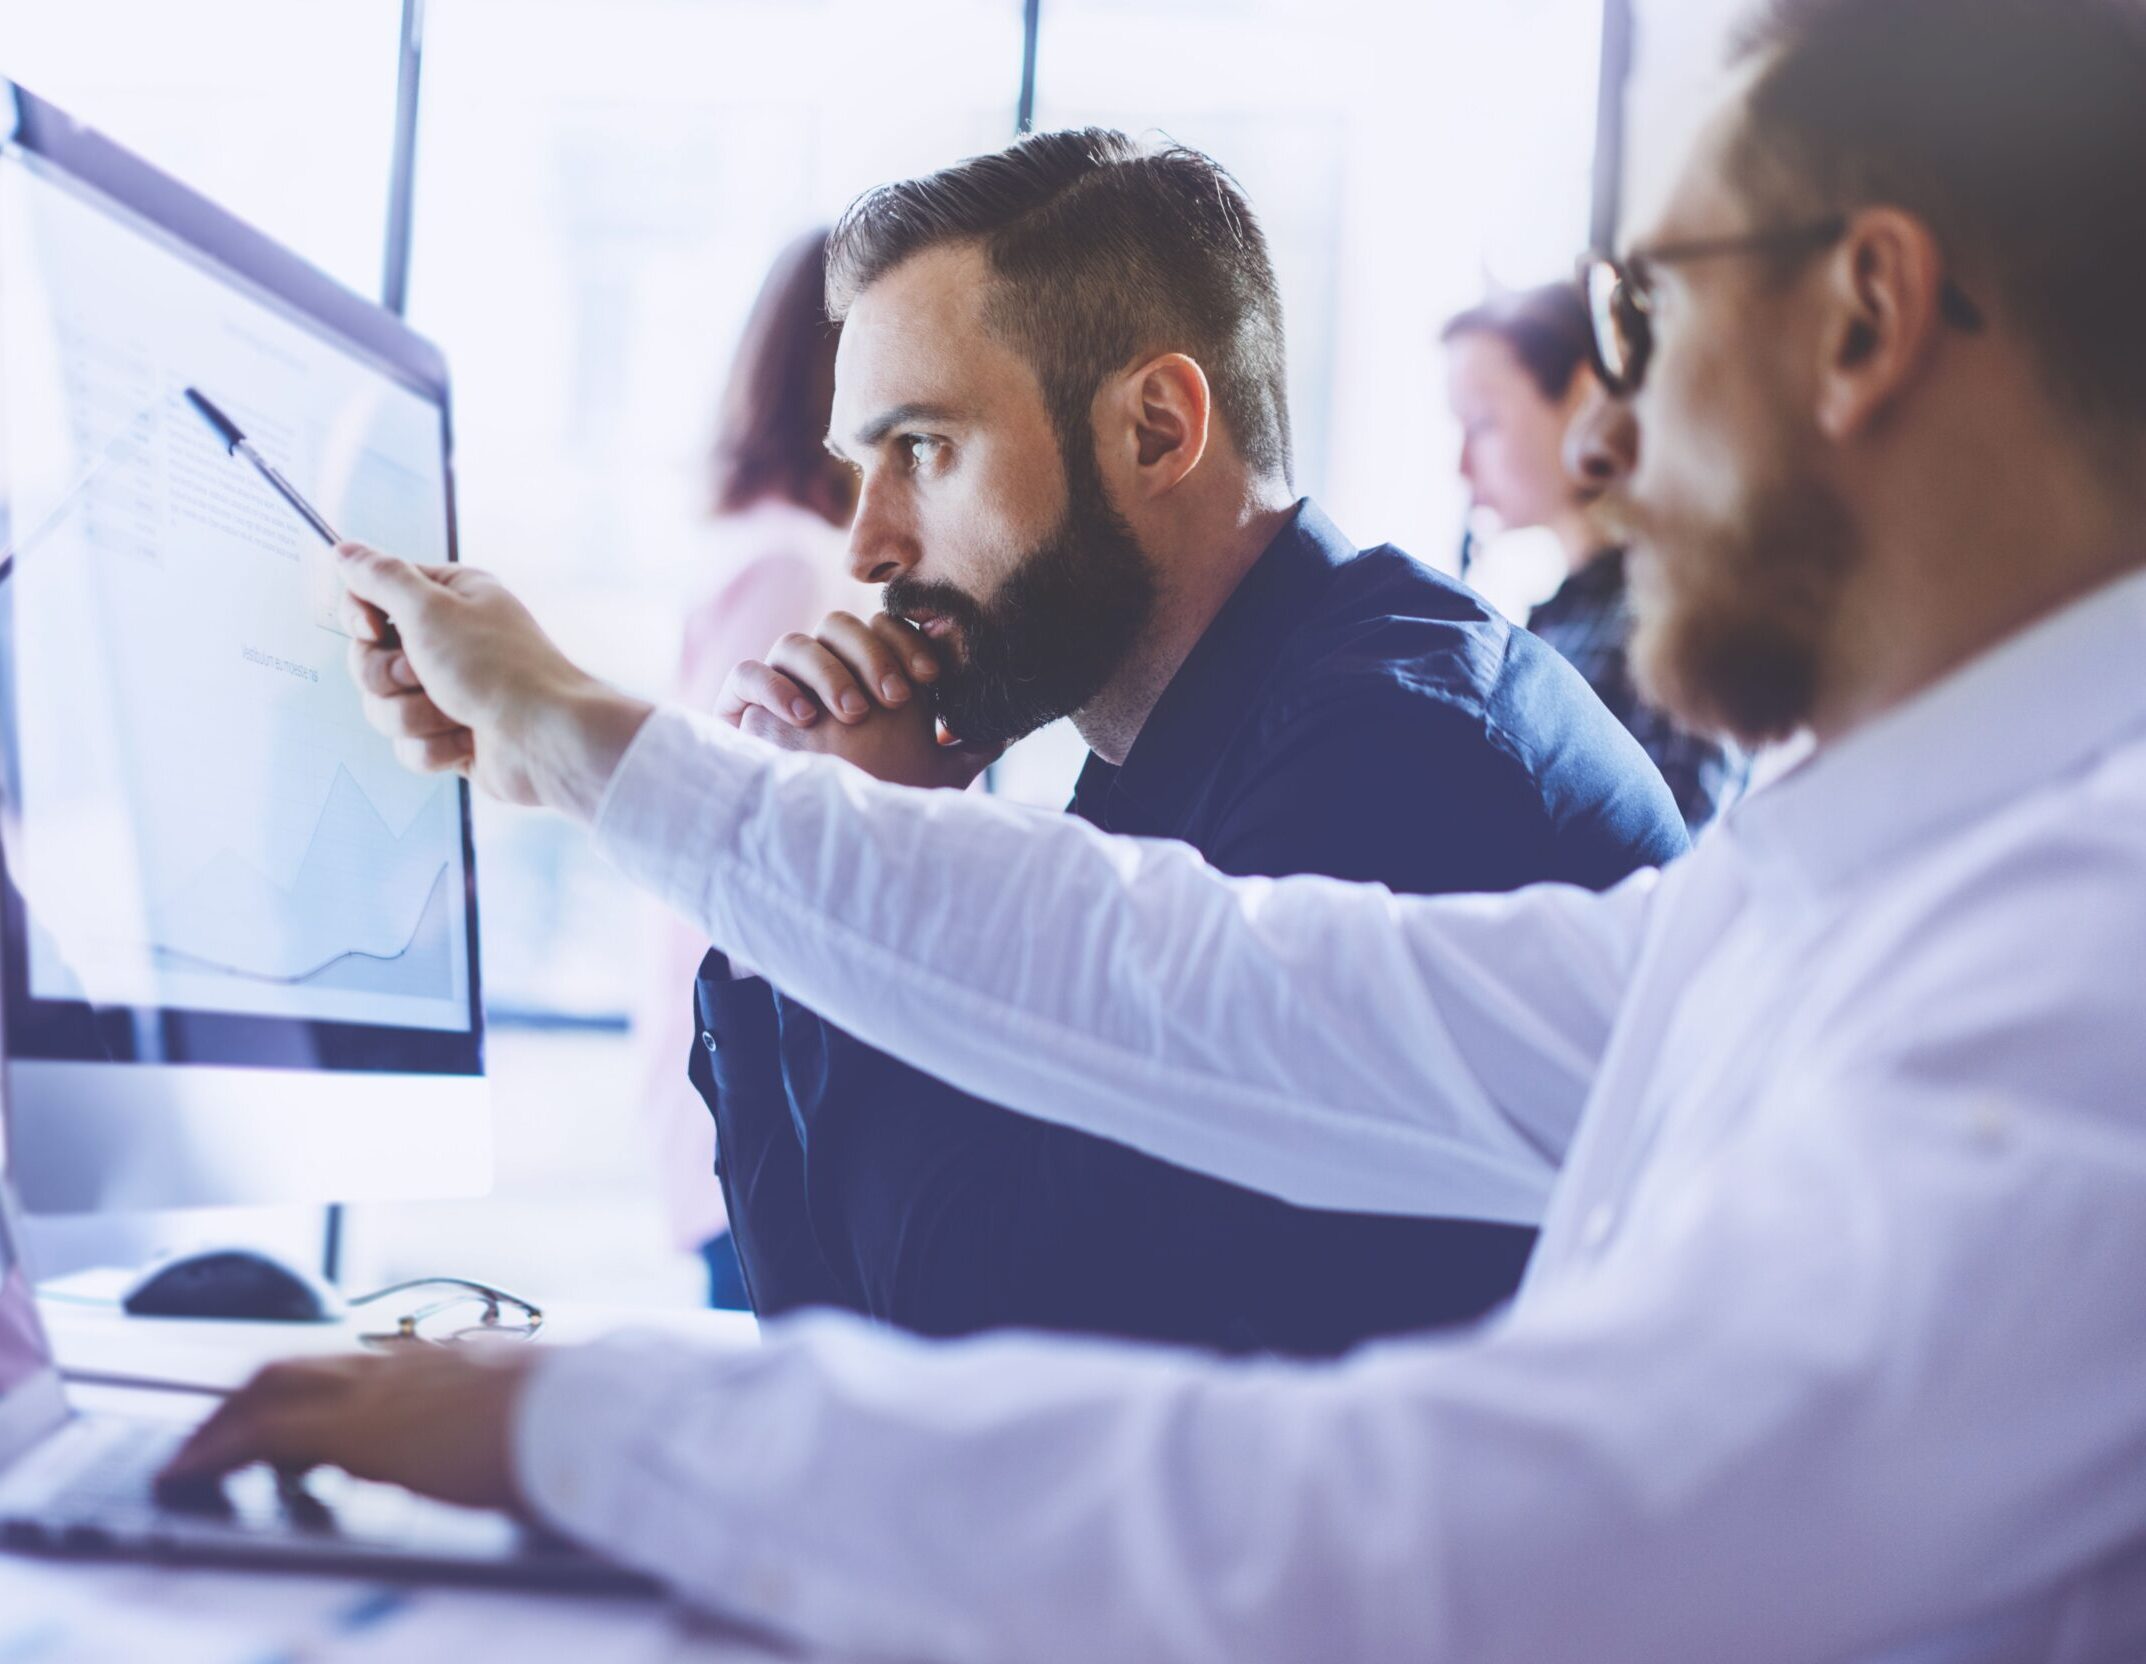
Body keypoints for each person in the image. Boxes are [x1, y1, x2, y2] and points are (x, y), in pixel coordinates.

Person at [168, 1, 2146, 1658]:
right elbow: (1200, 983)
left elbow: (1446, 1534)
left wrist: (603, 1425)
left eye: (1636, 315)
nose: (1594, 440)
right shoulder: (1835, 880)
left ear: (1863, 313)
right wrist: (597, 745)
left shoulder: (2075, 972)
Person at [689, 134, 1685, 1353]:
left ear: (1157, 429)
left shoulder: (1396, 761)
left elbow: (1003, 1364)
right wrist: (784, 903)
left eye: (925, 450)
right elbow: (824, 1342)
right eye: (862, 465)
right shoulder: (1161, 756)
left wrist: (884, 856)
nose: (869, 546)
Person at [631, 227, 872, 1308]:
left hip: (743, 1082)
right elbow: (733, 834)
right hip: (759, 1088)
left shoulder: (774, 552)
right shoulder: (794, 567)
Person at [1444, 282, 1744, 829]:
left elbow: (1664, 864)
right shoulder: (1568, 618)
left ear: (1583, 395)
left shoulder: (1666, 624)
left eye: (1483, 423)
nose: (1462, 466)